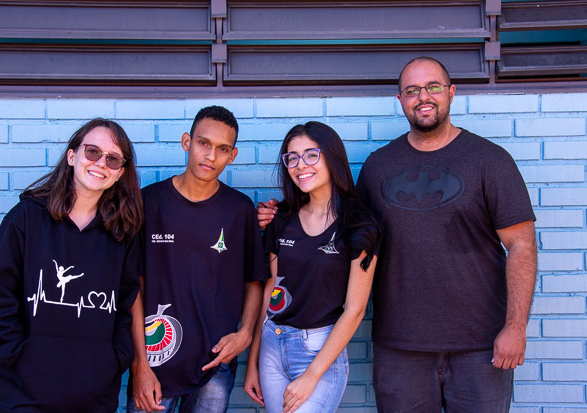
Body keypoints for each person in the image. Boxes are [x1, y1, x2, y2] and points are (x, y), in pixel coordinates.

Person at [258, 57, 537, 412]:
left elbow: (522, 245)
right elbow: (338, 223)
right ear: (400, 99)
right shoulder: (379, 166)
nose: (423, 96)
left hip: (479, 345)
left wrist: (515, 327)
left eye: (433, 87)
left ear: (451, 93)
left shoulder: (490, 160)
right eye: (412, 90)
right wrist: (280, 213)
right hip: (399, 347)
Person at [0, 118, 143, 412]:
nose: (101, 163)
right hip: (24, 397)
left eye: (113, 159)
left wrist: (113, 359)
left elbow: (123, 308)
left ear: (120, 173)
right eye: (92, 152)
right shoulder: (25, 218)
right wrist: (22, 355)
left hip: (93, 398)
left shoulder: (121, 233)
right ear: (72, 156)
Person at [128, 105, 268, 413]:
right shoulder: (148, 203)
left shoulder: (239, 209)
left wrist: (244, 334)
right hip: (155, 363)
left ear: (232, 156)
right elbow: (133, 288)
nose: (210, 155)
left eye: (222, 149)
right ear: (186, 142)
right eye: (203, 143)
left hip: (214, 364)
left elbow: (255, 281)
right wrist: (139, 363)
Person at [245, 121, 380, 413]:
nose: (300, 165)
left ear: (331, 156)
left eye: (311, 154)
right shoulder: (281, 218)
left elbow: (355, 310)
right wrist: (253, 361)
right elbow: (271, 289)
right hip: (272, 344)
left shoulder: (359, 225)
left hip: (319, 350)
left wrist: (312, 375)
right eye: (292, 157)